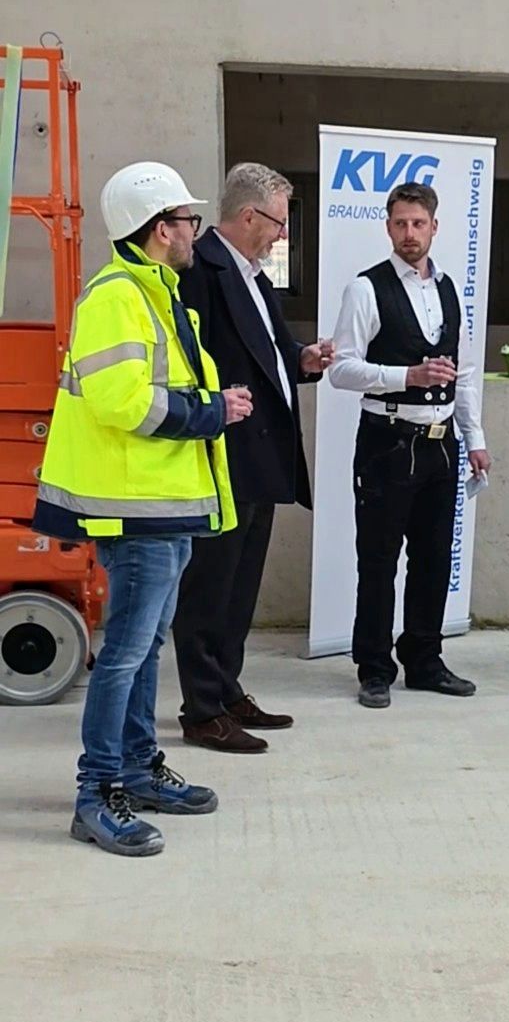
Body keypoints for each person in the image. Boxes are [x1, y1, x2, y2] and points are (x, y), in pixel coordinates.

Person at [33, 162, 249, 856]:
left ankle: (136, 768)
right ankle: (98, 793)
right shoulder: (117, 297)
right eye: (188, 220)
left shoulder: (157, 295)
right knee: (124, 655)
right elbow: (120, 401)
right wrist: (211, 410)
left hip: (163, 507)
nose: (195, 231)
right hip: (135, 512)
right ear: (161, 230)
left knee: (144, 648)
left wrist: (211, 409)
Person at [172, 163, 334, 754]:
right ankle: (201, 709)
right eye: (278, 223)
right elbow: (188, 362)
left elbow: (268, 353)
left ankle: (226, 688)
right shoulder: (200, 272)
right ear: (248, 216)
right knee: (209, 586)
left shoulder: (253, 276)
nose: (281, 235)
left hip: (261, 456)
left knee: (240, 588)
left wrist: (303, 359)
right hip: (224, 454)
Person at [328, 181, 491, 708]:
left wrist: (475, 438)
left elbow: (464, 372)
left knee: (433, 558)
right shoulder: (366, 288)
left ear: (435, 227)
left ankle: (424, 660)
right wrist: (406, 376)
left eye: (418, 223)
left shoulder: (448, 289)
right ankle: (374, 667)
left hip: (442, 443)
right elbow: (342, 370)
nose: (409, 233)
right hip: (387, 440)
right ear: (388, 226)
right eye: (400, 223)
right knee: (378, 560)